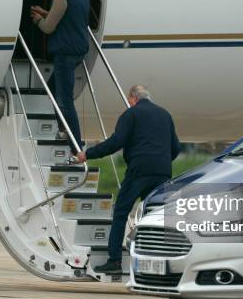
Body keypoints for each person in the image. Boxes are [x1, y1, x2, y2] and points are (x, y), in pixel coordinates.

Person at [76, 86, 181, 273]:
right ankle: (156, 262)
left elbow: (116, 142)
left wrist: (88, 154)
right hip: (163, 172)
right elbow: (176, 147)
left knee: (121, 212)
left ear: (132, 98)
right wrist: (160, 161)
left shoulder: (131, 114)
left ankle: (114, 261)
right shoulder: (165, 115)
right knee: (154, 217)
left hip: (139, 170)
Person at [31, 0, 90, 154]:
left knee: (64, 100)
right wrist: (47, 12)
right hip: (78, 51)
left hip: (64, 54)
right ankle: (64, 130)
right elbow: (68, 18)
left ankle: (76, 148)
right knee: (52, 89)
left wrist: (38, 19)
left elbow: (48, 28)